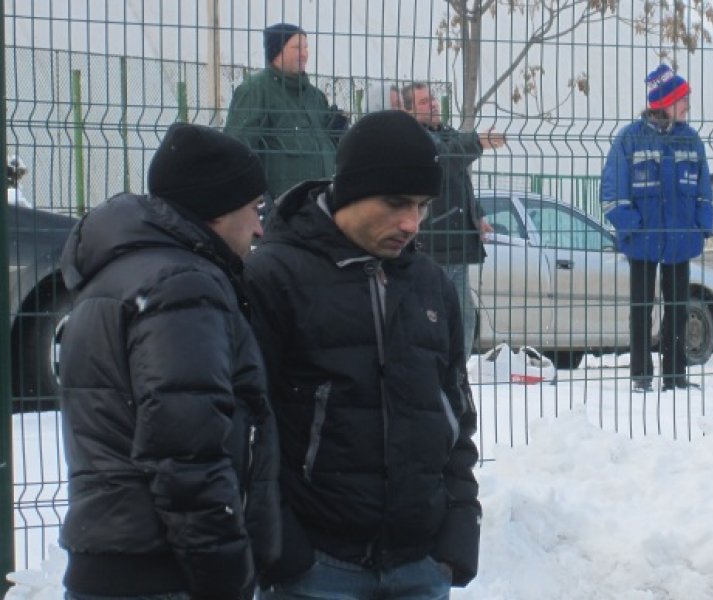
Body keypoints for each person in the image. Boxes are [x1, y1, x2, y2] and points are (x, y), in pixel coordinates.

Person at [246, 110, 481, 599]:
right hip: (316, 566)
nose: (411, 223)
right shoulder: (275, 276)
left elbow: (455, 419)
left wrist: (458, 534)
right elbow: (247, 424)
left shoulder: (432, 285)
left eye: (421, 206)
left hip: (421, 564)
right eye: (396, 203)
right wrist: (283, 545)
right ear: (350, 190)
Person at [57, 123, 281, 599]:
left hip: (109, 561)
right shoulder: (183, 284)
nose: (261, 227)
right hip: (161, 572)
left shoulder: (114, 273)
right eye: (255, 210)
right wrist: (226, 578)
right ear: (219, 210)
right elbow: (186, 451)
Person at [600, 64, 713, 392]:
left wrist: (701, 227)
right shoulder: (630, 139)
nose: (688, 107)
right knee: (641, 308)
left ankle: (675, 375)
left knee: (678, 307)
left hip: (680, 240)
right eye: (682, 100)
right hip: (643, 240)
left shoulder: (691, 140)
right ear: (662, 102)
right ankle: (640, 375)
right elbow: (612, 190)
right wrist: (631, 226)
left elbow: (705, 191)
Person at [401, 81, 504, 358]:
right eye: (423, 102)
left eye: (432, 99)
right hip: (435, 243)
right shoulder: (415, 139)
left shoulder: (446, 134)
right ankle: (439, 369)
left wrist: (477, 215)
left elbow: (459, 183)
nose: (433, 104)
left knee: (463, 317)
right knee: (437, 315)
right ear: (409, 111)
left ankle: (456, 372)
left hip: (457, 242)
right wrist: (477, 142)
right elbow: (443, 162)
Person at [225, 22, 348, 203]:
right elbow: (239, 146)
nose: (304, 54)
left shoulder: (315, 97)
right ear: (277, 50)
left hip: (320, 200)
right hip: (281, 205)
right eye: (296, 47)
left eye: (306, 47)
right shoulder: (256, 90)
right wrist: (256, 196)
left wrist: (336, 133)